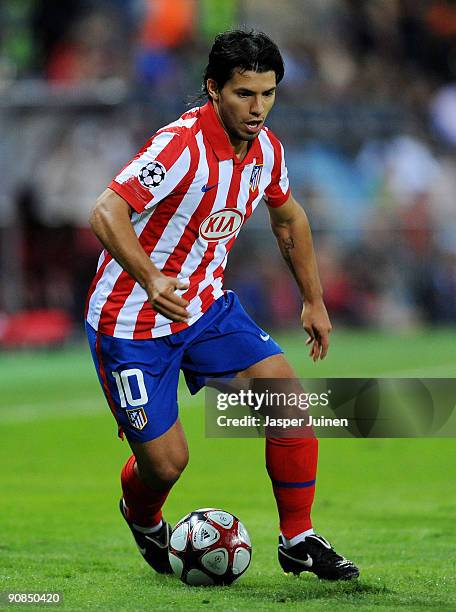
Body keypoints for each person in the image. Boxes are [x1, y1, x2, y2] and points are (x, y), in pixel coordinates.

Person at [85, 29, 359, 581]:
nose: (258, 108)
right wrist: (152, 277)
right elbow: (106, 212)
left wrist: (313, 299)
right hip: (132, 321)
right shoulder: (178, 146)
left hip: (207, 310)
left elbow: (288, 219)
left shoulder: (267, 151)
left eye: (268, 93)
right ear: (213, 88)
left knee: (288, 399)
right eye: (244, 95)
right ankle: (141, 516)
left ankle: (297, 537)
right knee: (165, 465)